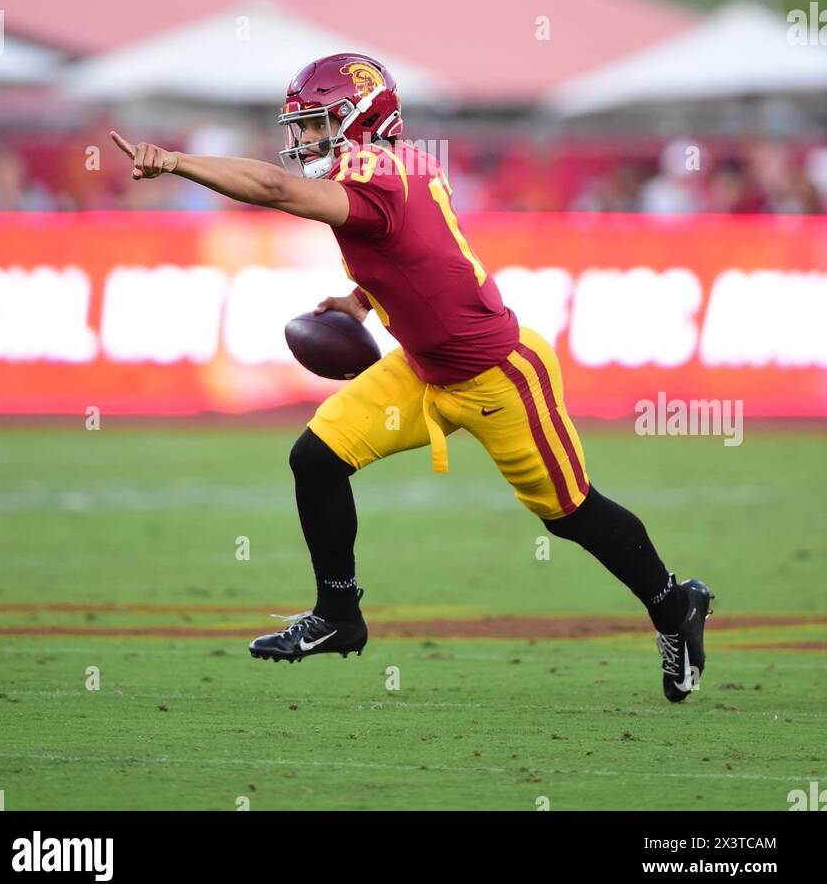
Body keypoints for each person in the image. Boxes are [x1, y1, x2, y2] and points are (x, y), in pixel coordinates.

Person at [110, 52, 713, 702]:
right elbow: (422, 252)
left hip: (494, 375)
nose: (305, 138)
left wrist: (173, 162)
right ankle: (338, 615)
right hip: (421, 367)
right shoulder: (400, 165)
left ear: (362, 118)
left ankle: (672, 604)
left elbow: (280, 191)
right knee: (316, 459)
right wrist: (361, 301)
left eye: (318, 123)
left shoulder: (376, 176)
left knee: (569, 514)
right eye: (302, 125)